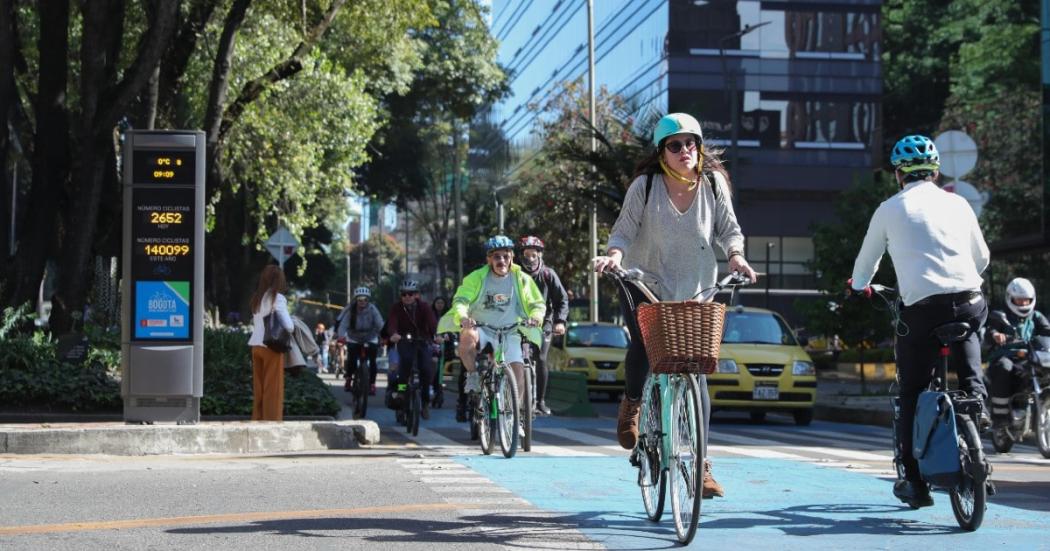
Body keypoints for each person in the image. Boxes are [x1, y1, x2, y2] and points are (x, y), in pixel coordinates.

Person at [592, 112, 756, 499]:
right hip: (643, 283)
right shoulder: (644, 187)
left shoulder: (713, 184)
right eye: (675, 145)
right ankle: (632, 403)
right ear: (661, 153)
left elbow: (729, 230)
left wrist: (736, 257)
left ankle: (699, 463)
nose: (685, 150)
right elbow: (624, 229)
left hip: (696, 289)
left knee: (696, 372)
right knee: (644, 349)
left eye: (691, 143)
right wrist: (614, 255)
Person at [849, 134, 990, 509]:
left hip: (922, 311)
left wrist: (860, 286)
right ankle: (977, 401)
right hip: (970, 301)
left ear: (899, 174)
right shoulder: (959, 204)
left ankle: (912, 481)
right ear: (936, 172)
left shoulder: (889, 208)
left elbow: (866, 265)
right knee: (970, 327)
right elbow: (982, 259)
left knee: (911, 390)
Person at [437, 235, 546, 426]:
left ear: (511, 257)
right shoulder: (476, 277)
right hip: (483, 329)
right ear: (489, 259)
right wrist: (463, 318)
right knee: (466, 337)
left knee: (519, 370)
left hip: (511, 331)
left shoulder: (521, 279)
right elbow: (461, 301)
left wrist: (536, 317)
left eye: (505, 256)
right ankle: (472, 375)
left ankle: (514, 412)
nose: (501, 261)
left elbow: (537, 303)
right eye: (496, 257)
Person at [985, 278, 1050, 426]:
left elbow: (1047, 331)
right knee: (1004, 367)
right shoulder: (1001, 316)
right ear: (1010, 299)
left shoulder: (1036, 317)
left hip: (1029, 357)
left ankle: (1032, 405)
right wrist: (996, 335)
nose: (1023, 304)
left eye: (1026, 300)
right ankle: (1000, 416)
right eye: (1019, 301)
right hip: (1005, 356)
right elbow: (990, 332)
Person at [518, 235, 569, 416]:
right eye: (526, 255)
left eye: (534, 255)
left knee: (540, 359)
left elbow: (562, 299)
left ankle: (540, 401)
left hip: (543, 323)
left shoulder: (548, 274)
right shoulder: (514, 274)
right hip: (518, 323)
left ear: (539, 255)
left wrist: (560, 322)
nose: (530, 259)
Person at [248, 265, 294, 421]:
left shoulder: (256, 298)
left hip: (255, 346)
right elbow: (289, 326)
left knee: (259, 389)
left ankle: (257, 419)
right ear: (279, 280)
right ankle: (271, 422)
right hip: (271, 347)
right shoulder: (278, 298)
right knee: (272, 389)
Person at [387, 280, 439, 419]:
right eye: (404, 294)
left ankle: (426, 401)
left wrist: (437, 335)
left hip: (422, 340)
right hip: (404, 340)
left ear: (416, 295)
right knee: (405, 364)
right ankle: (401, 392)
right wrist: (393, 334)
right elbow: (392, 323)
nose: (407, 297)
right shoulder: (396, 307)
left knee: (426, 369)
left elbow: (432, 323)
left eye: (410, 294)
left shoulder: (424, 307)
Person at [338, 287, 384, 395]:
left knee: (373, 361)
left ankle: (372, 384)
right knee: (352, 359)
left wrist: (384, 336)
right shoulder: (351, 310)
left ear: (368, 300)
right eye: (360, 299)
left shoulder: (373, 309)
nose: (362, 302)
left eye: (365, 299)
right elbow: (343, 325)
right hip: (354, 337)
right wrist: (341, 336)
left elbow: (380, 323)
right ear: (356, 300)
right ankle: (349, 378)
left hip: (370, 336)